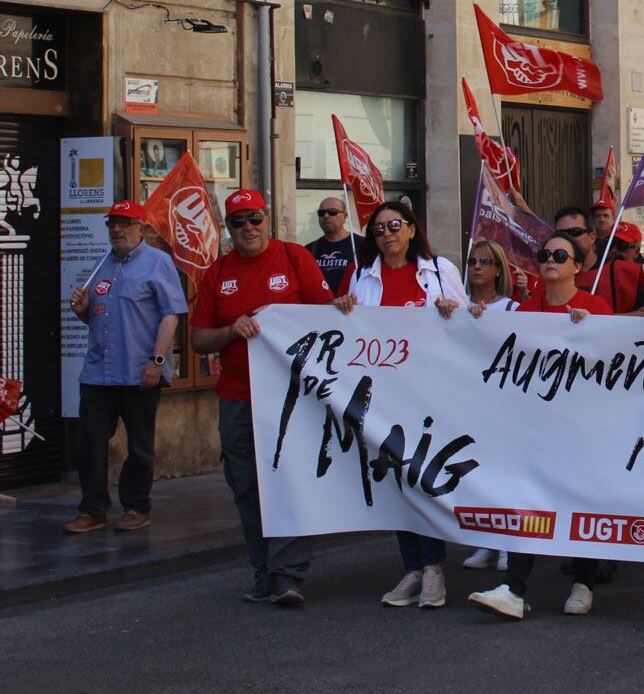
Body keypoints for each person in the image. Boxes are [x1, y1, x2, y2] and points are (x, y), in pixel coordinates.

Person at [189, 189, 351, 606]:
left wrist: (346, 304)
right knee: (246, 487)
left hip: (290, 396)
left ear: (267, 219)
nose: (248, 228)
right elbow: (198, 338)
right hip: (237, 397)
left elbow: (325, 316)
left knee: (288, 481)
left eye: (254, 219)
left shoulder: (294, 256)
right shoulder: (217, 272)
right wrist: (230, 330)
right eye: (239, 221)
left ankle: (288, 575)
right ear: (228, 228)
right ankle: (262, 570)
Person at [468, 232, 613, 620]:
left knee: (581, 501)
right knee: (525, 500)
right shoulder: (526, 310)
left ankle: (583, 582)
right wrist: (473, 320)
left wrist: (593, 330)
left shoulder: (594, 306)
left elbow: (616, 362)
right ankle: (515, 589)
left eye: (560, 255)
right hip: (535, 424)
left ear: (577, 267)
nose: (550, 260)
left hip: (583, 425)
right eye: (544, 254)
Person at [342, 201, 464, 610]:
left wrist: (452, 312)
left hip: (429, 393)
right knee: (395, 482)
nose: (388, 234)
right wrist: (341, 310)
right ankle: (413, 567)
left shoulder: (440, 272)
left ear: (412, 230)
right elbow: (352, 330)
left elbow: (468, 327)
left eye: (395, 225)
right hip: (384, 397)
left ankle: (432, 569)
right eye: (378, 229)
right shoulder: (363, 277)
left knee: (421, 478)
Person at [64, 200, 187, 534]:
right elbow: (95, 321)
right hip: (98, 372)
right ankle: (93, 509)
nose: (117, 229)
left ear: (141, 228)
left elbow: (170, 315)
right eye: (112, 224)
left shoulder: (158, 263)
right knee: (89, 443)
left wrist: (157, 361)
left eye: (124, 223)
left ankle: (136, 506)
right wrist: (81, 309)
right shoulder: (102, 264)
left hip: (138, 371)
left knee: (139, 445)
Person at [461, 239, 515, 574]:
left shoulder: (511, 308)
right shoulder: (456, 305)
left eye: (484, 261)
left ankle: (508, 544)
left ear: (498, 269)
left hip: (503, 404)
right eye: (472, 262)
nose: (477, 267)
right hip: (469, 401)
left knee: (505, 474)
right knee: (479, 473)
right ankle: (487, 540)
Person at [305, 196, 360, 295]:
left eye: (332, 212)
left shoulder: (361, 244)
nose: (326, 216)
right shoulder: (310, 249)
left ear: (345, 216)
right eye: (321, 213)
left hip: (351, 307)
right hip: (319, 307)